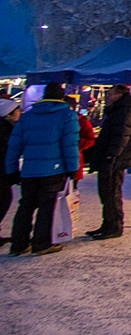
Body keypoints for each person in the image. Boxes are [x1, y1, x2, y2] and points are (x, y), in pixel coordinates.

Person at [4, 82, 80, 256]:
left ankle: (18, 243)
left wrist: (11, 169)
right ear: (61, 96)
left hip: (30, 169)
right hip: (53, 169)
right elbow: (69, 145)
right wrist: (72, 169)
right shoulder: (66, 115)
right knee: (47, 206)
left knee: (26, 205)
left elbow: (14, 146)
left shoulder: (28, 116)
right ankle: (41, 243)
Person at [86, 84, 131, 240]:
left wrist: (111, 157)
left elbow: (120, 139)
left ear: (119, 95)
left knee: (112, 193)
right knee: (106, 193)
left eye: (110, 94)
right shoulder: (119, 111)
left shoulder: (124, 113)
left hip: (115, 161)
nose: (107, 97)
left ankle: (114, 226)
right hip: (111, 159)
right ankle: (107, 224)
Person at [0, 97, 22, 247]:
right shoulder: (5, 129)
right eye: (17, 110)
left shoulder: (7, 127)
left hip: (3, 170)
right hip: (1, 171)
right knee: (3, 200)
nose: (20, 112)